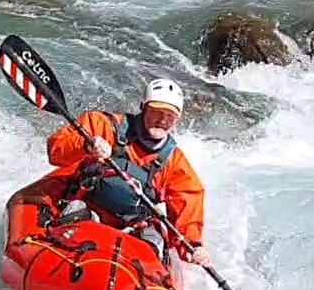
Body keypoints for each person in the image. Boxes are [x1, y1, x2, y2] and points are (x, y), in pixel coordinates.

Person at [46, 78, 209, 267]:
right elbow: (55, 151)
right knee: (74, 212)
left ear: (177, 120)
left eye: (170, 116)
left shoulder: (175, 163)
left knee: (154, 243)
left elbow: (188, 201)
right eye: (156, 112)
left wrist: (193, 246)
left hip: (133, 228)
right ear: (143, 107)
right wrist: (86, 145)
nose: (162, 120)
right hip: (88, 209)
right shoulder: (104, 126)